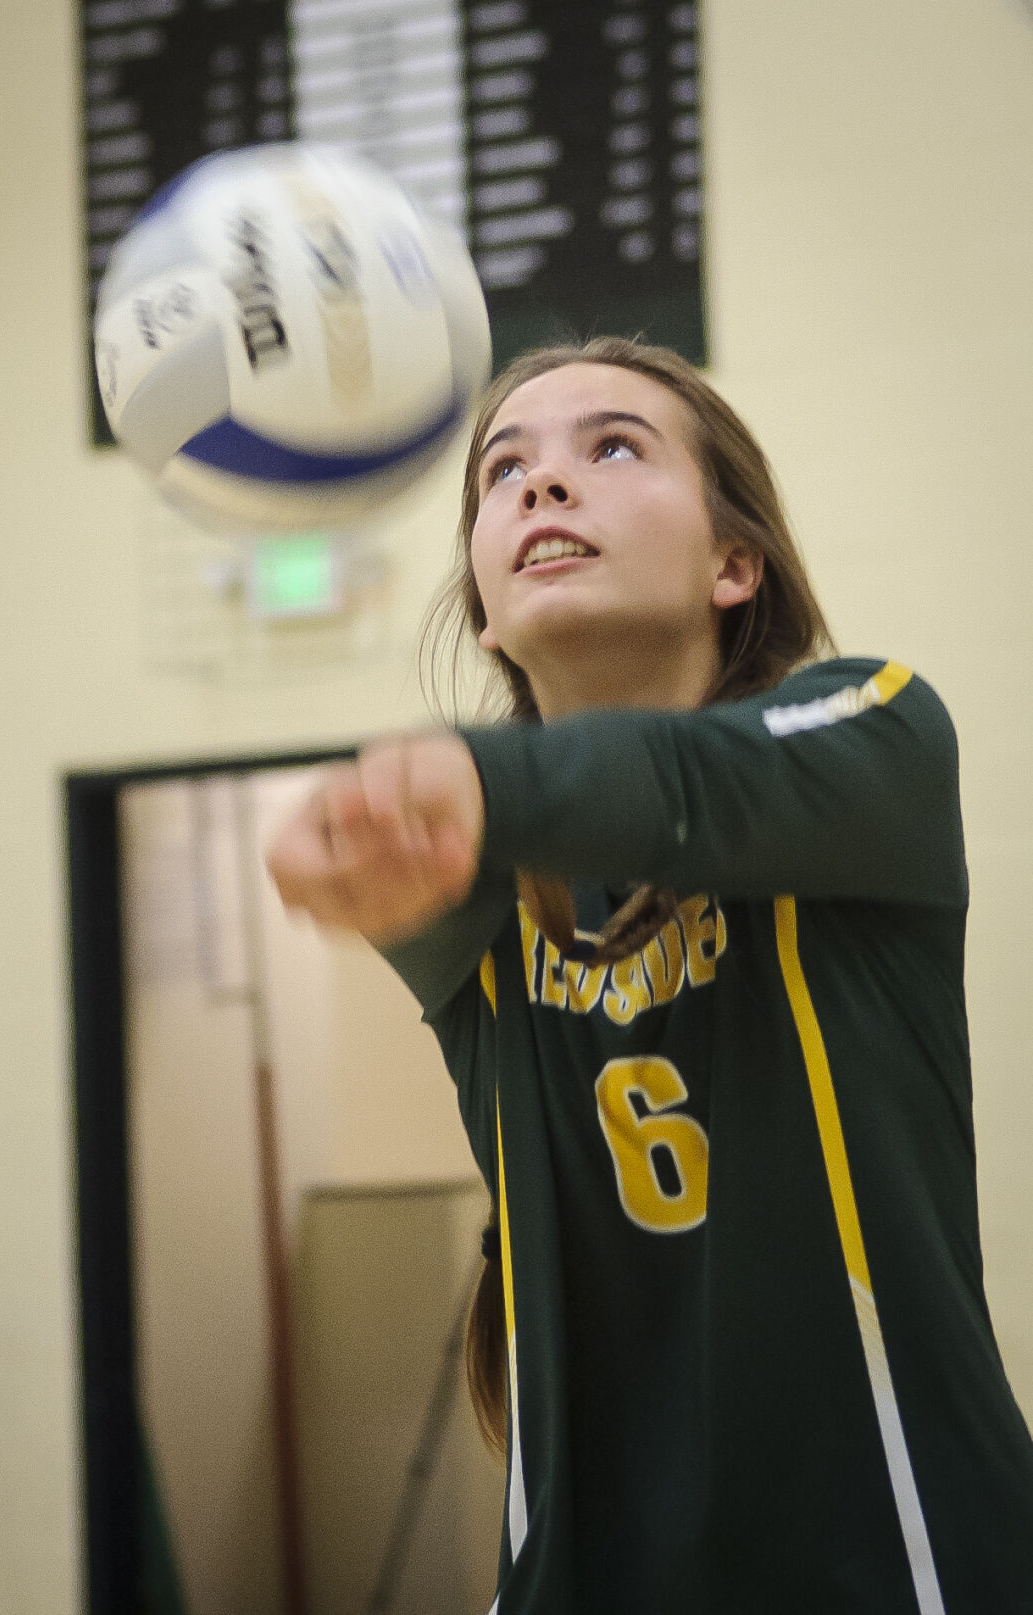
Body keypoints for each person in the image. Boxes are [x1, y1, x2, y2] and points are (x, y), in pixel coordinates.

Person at [265, 336, 1033, 1613]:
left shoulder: (875, 736)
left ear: (737, 565)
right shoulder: (472, 889)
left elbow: (678, 787)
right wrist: (351, 860)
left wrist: (467, 780)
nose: (540, 487)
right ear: (485, 595)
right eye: (502, 471)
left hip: (909, 1569)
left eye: (611, 447)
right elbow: (504, 834)